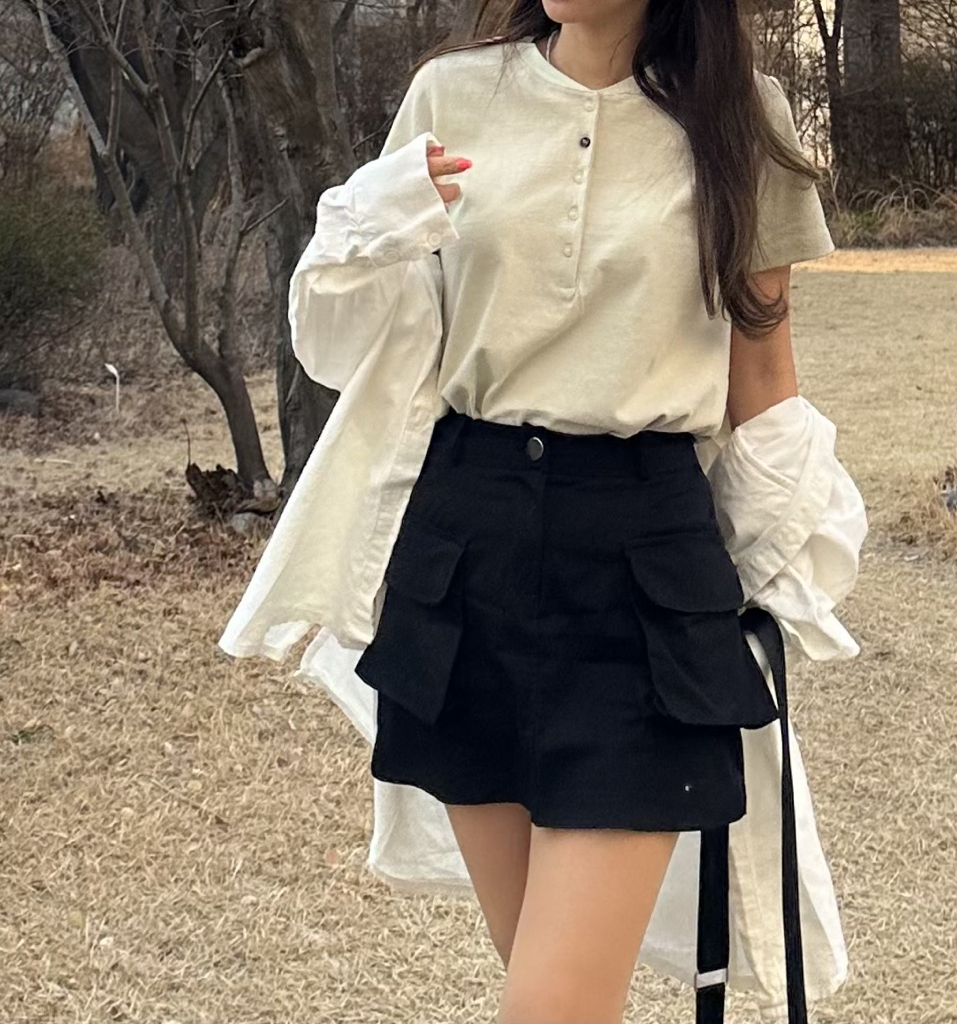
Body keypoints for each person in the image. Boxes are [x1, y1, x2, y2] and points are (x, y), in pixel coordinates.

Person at [218, 0, 868, 1021]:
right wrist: (362, 226)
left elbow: (761, 373)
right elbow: (350, 343)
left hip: (642, 568)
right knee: (547, 985)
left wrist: (779, 572)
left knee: (553, 1005)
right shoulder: (451, 93)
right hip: (465, 555)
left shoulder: (743, 117)